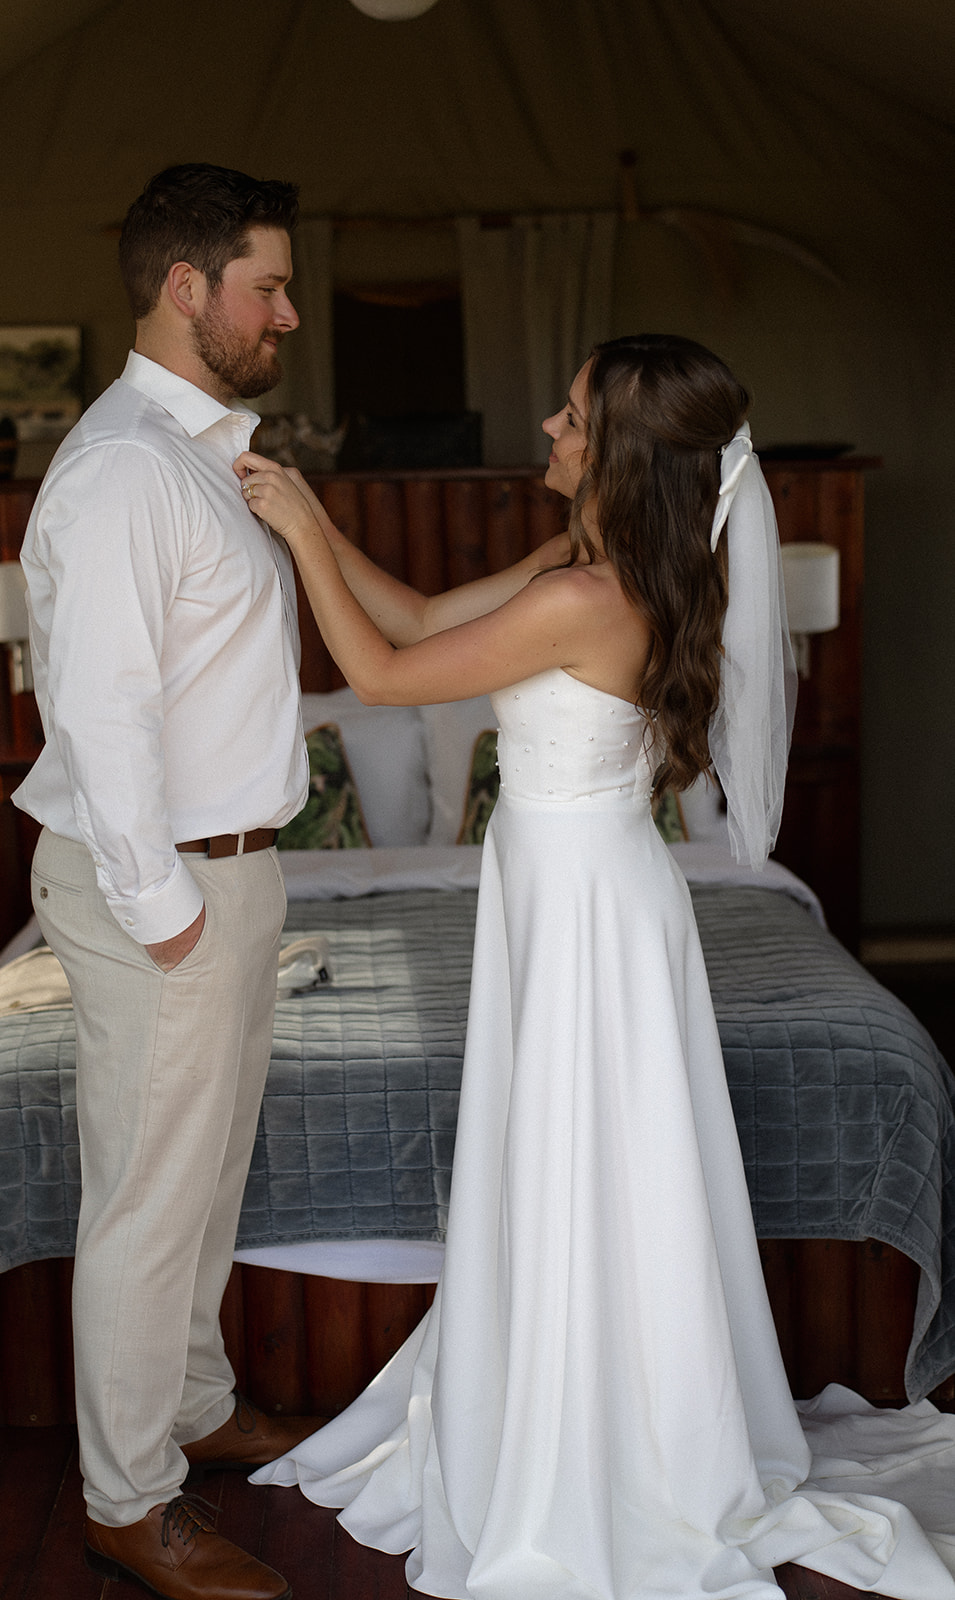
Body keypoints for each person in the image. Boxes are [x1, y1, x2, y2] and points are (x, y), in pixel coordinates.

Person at [232, 334, 955, 1600]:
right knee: (587, 1148)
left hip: (583, 902)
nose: (550, 431)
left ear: (621, 449)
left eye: (570, 418)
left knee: (587, 1145)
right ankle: (578, 1389)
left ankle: (605, 1434)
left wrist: (297, 526)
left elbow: (383, 673)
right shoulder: (584, 567)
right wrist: (317, 518)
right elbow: (407, 614)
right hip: (571, 888)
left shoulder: (587, 597)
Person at [14, 163, 324, 1600]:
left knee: (203, 1181)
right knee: (145, 1198)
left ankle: (192, 1410)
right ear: (185, 288)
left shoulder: (206, 452)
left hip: (233, 870)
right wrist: (171, 912)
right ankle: (126, 1500)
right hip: (166, 890)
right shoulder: (127, 467)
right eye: (268, 285)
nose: (291, 311)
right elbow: (102, 713)